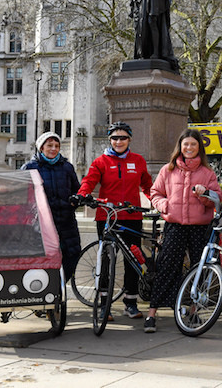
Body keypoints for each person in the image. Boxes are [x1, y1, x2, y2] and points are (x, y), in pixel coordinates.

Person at [144, 129, 221, 333]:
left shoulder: (207, 173)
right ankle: (152, 313)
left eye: (193, 145)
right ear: (180, 146)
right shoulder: (167, 170)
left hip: (199, 228)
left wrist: (204, 195)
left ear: (199, 148)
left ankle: (194, 310)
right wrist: (165, 206)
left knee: (199, 268)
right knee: (166, 267)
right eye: (185, 144)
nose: (189, 148)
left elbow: (216, 199)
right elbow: (155, 193)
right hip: (175, 226)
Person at [76, 122, 153, 320]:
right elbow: (89, 181)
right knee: (106, 261)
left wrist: (158, 201)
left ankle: (130, 303)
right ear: (110, 139)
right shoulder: (101, 161)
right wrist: (83, 194)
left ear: (130, 139)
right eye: (115, 138)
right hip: (107, 217)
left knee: (132, 260)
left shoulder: (138, 161)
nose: (119, 141)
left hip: (132, 216)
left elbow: (147, 185)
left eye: (123, 138)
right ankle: (104, 305)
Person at [22, 132, 81, 282]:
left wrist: (76, 201)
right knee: (43, 259)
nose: (53, 149)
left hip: (66, 221)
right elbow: (22, 194)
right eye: (49, 145)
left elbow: (77, 189)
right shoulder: (30, 167)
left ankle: (57, 289)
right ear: (41, 148)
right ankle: (45, 293)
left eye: (56, 146)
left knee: (72, 256)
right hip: (42, 223)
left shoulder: (67, 167)